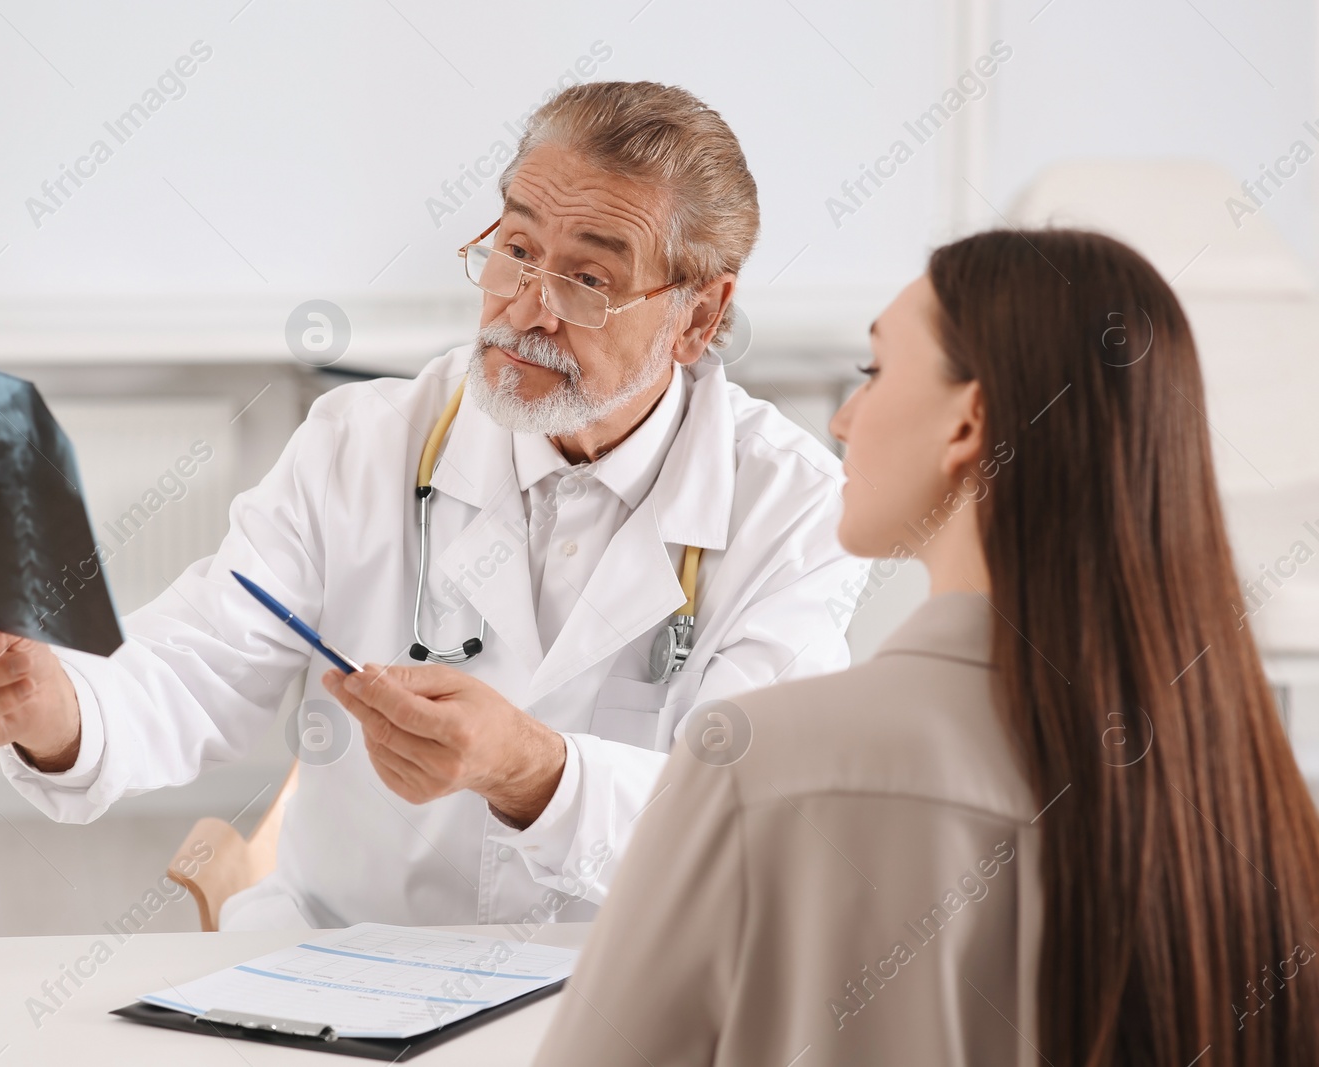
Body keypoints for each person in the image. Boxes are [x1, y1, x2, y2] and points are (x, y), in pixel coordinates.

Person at [0, 81, 866, 931]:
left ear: (699, 315)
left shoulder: (797, 510)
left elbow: (749, 819)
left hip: (622, 997)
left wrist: (533, 770)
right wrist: (51, 702)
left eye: (587, 277)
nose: (526, 306)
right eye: (516, 247)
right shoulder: (364, 441)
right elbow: (197, 662)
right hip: (342, 972)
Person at [534, 228, 1319, 1065]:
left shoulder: (753, 768)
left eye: (873, 373)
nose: (842, 417)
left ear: (968, 422)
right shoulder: (1260, 805)